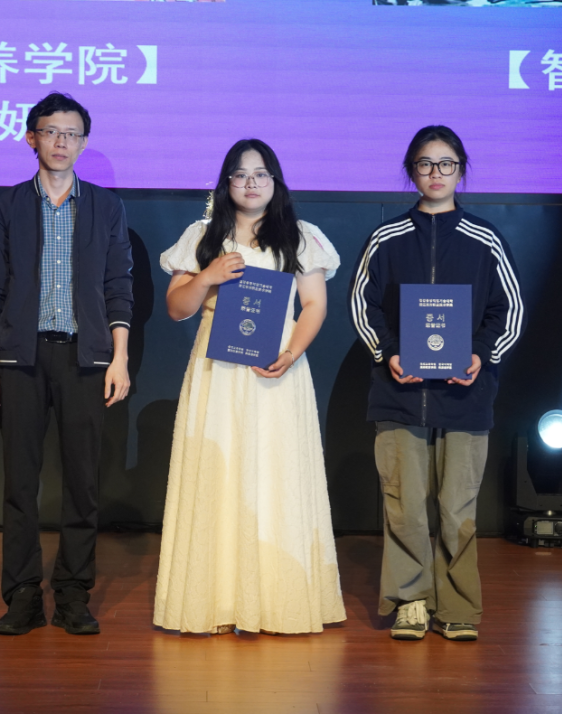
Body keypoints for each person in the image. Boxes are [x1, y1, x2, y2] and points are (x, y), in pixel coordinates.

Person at [153, 139, 346, 635]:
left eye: (261, 174)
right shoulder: (202, 236)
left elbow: (314, 305)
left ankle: (279, 602)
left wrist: (291, 353)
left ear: (275, 181)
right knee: (217, 475)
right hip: (216, 371)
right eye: (240, 175)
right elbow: (177, 308)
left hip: (276, 368)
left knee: (275, 474)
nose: (251, 183)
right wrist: (208, 277)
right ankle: (214, 603)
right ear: (227, 183)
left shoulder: (300, 236)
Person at [349, 125, 525, 642]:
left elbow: (509, 311)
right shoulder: (386, 238)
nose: (436, 173)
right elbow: (362, 305)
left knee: (457, 509)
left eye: (446, 164)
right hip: (399, 394)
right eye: (425, 164)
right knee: (404, 506)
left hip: (466, 395)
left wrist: (479, 355)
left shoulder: (485, 239)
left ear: (461, 170)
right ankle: (410, 603)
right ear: (412, 171)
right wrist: (388, 352)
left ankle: (458, 608)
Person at [0, 92, 133, 636]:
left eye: (72, 134)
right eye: (51, 132)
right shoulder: (7, 206)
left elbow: (118, 287)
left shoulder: (106, 207)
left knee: (83, 483)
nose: (61, 142)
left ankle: (72, 593)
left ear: (83, 143)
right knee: (20, 483)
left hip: (86, 358)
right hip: (19, 357)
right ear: (31, 138)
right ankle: (22, 594)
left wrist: (119, 358)